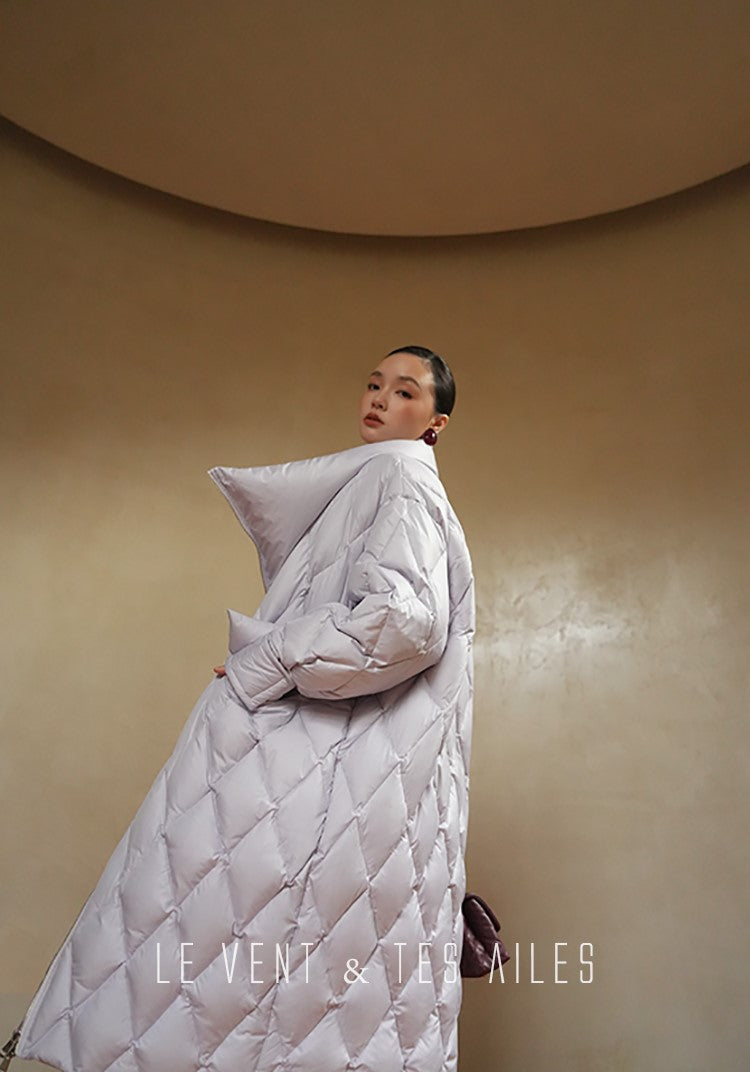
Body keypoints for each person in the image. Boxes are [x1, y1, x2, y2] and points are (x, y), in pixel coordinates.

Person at [6, 346, 476, 1072]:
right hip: (359, 776)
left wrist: (271, 659)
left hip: (330, 769)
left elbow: (406, 621)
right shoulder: (380, 481)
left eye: (405, 392)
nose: (381, 399)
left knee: (208, 937)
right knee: (304, 976)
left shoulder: (398, 478)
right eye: (374, 384)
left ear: (435, 423)